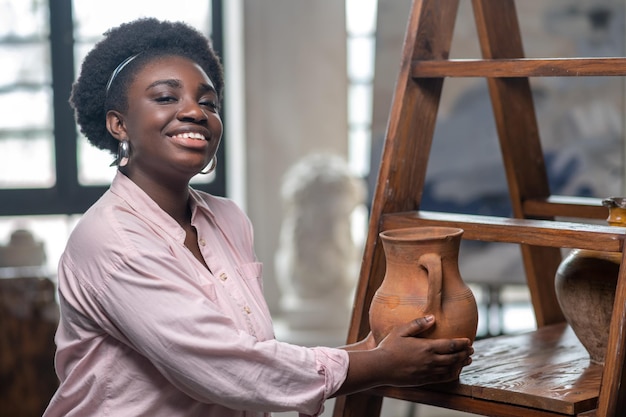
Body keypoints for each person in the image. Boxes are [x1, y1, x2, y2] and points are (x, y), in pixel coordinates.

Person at [43, 18, 473, 417]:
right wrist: (378, 366)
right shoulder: (112, 240)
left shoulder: (227, 219)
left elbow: (248, 351)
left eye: (208, 102)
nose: (196, 112)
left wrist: (369, 350)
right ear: (118, 125)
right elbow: (225, 368)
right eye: (166, 97)